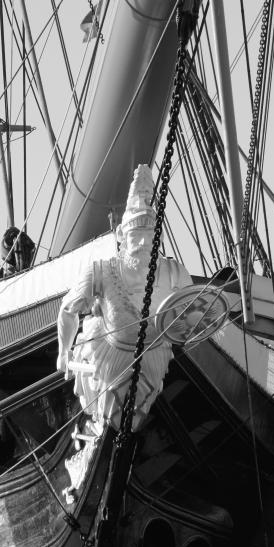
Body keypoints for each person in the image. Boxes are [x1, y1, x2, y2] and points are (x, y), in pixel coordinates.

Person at [57, 165, 192, 432]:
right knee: (111, 414)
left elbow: (196, 312)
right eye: (135, 236)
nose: (142, 243)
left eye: (149, 236)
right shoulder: (102, 271)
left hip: (153, 356)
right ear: (121, 236)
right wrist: (63, 351)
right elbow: (68, 309)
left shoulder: (175, 273)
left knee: (133, 417)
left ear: (158, 238)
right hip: (108, 353)